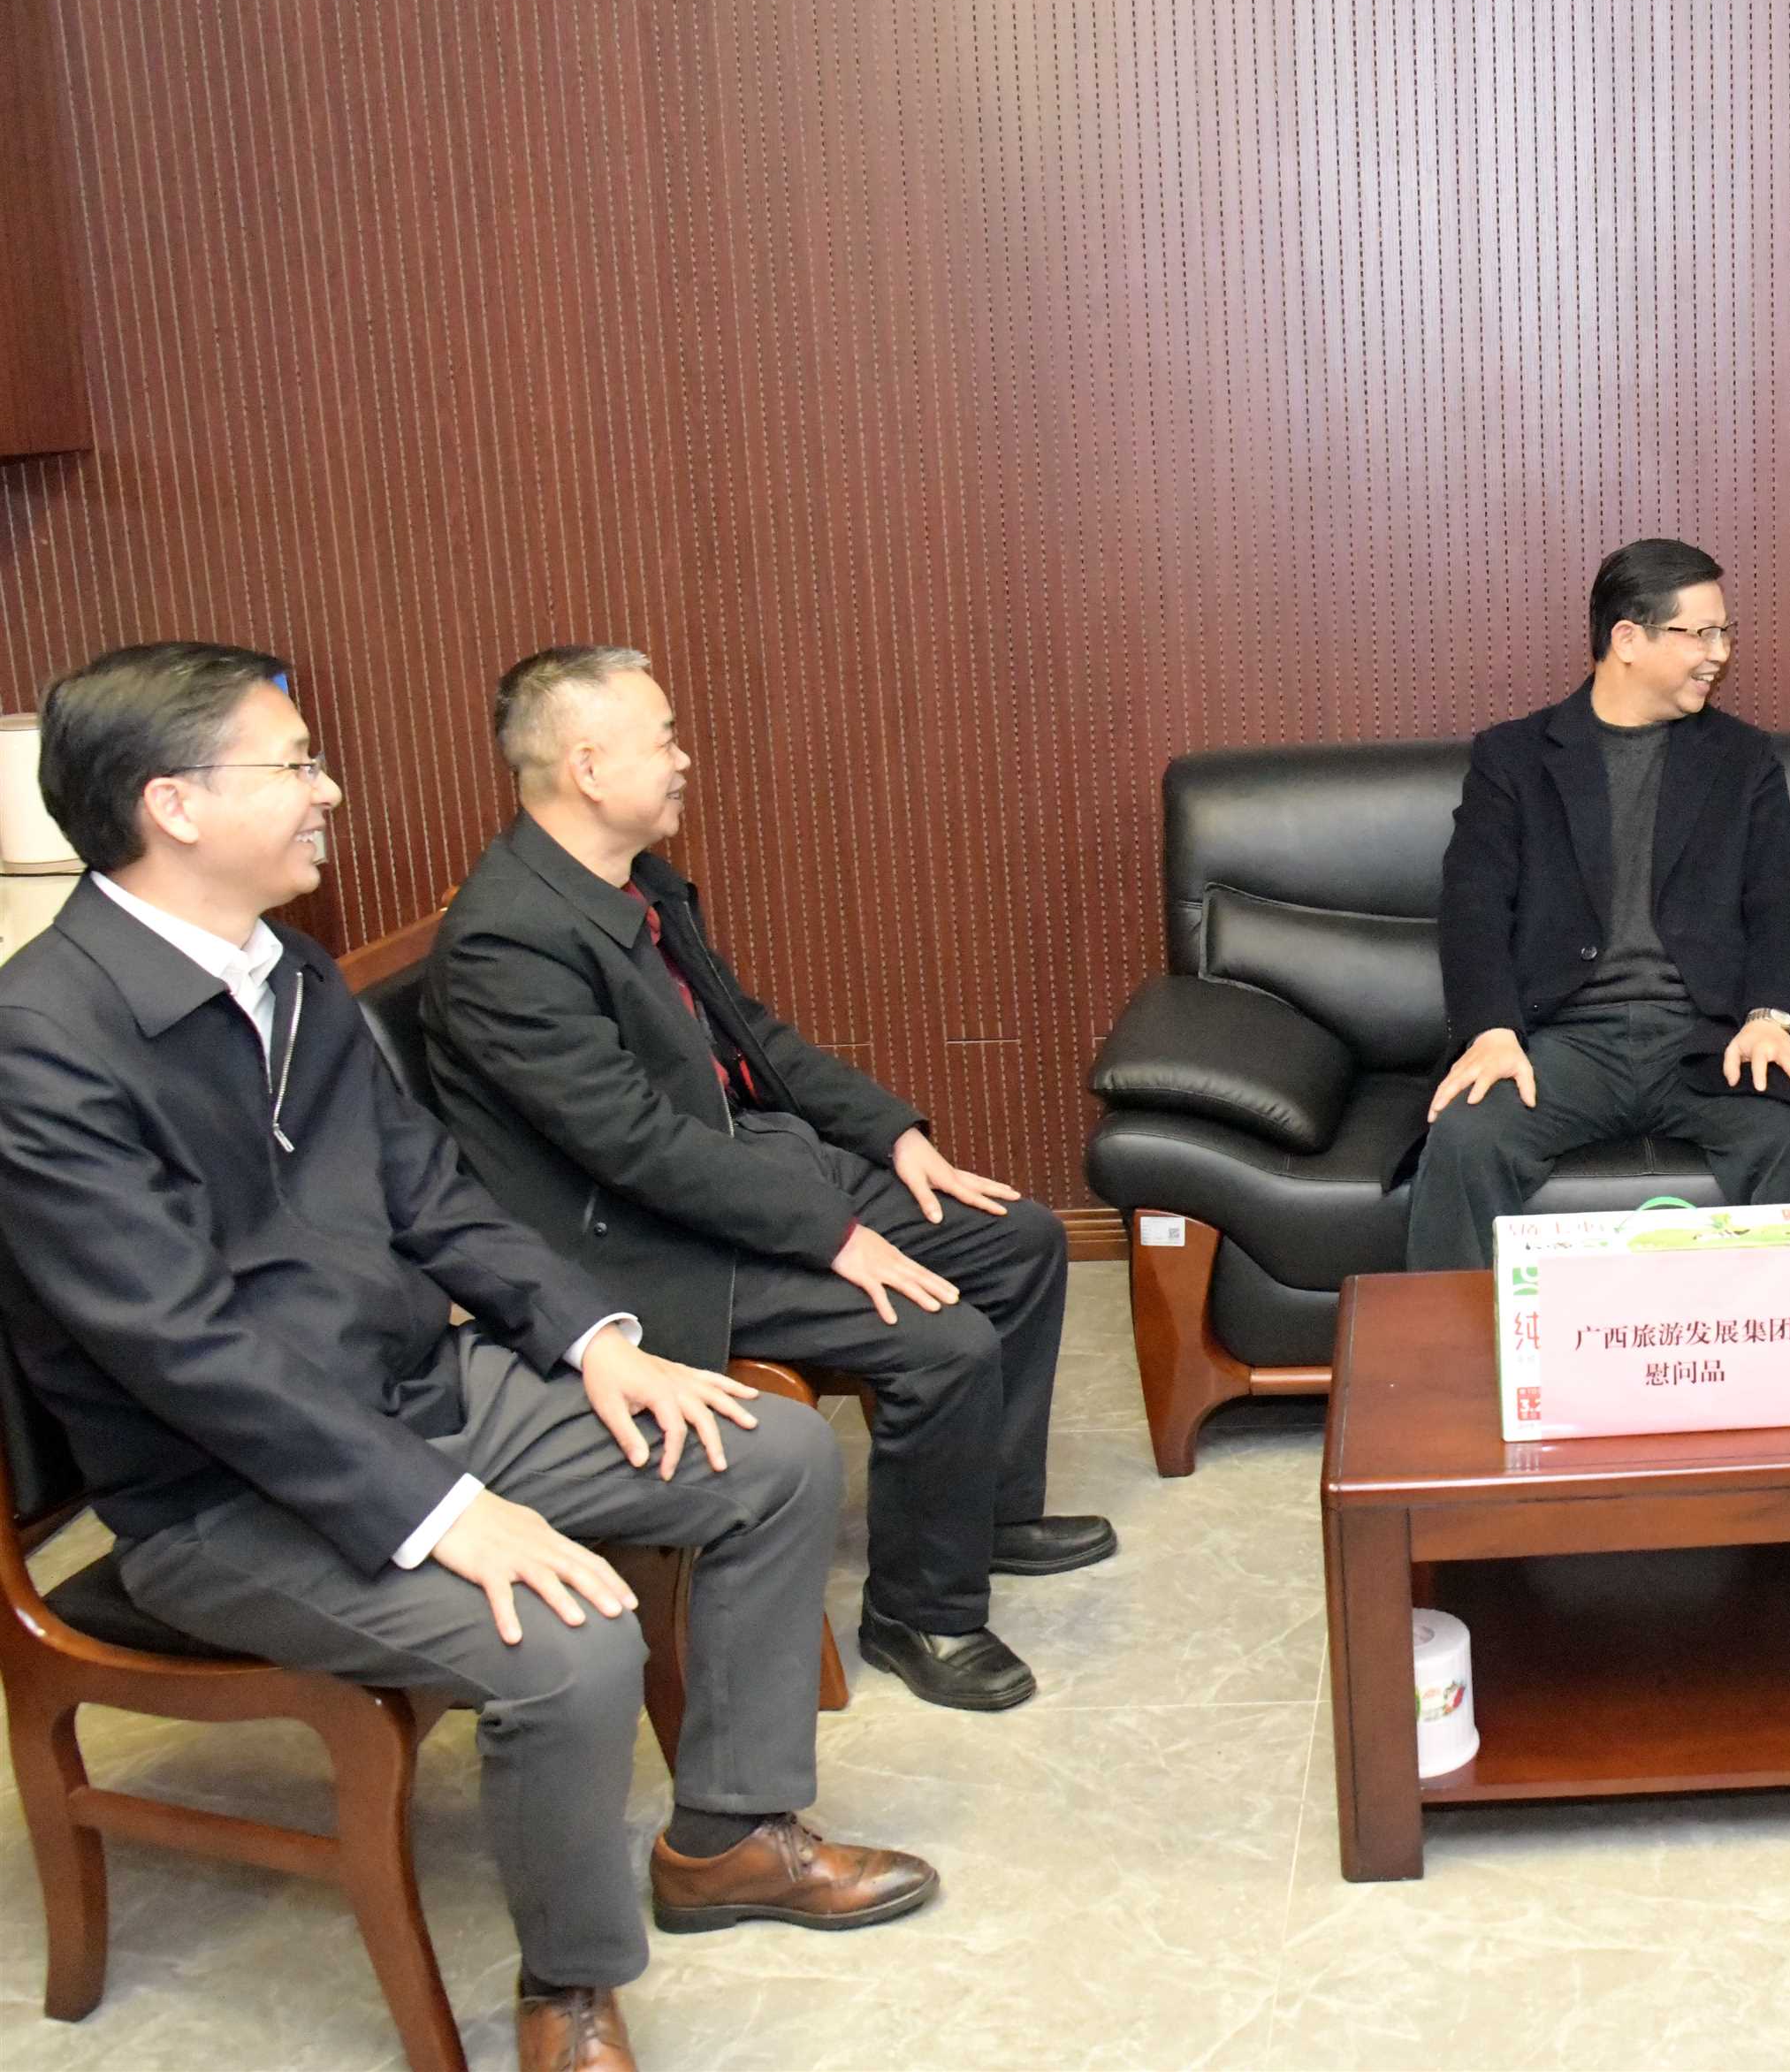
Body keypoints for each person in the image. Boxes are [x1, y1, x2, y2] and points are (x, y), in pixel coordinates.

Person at [0, 644, 934, 2072]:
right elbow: (181, 1346)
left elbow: (430, 1191)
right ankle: (569, 1989)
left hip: (415, 1394)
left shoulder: (288, 968)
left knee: (774, 1452)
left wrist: (596, 1338)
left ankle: (729, 1834)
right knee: (569, 1640)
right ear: (173, 804)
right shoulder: (43, 1042)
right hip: (223, 1493)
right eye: (294, 763)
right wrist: (440, 1509)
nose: (330, 790)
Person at [421, 648, 1110, 1717]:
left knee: (1017, 1238)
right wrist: (833, 1231)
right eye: (664, 739)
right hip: (644, 1246)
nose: (683, 759)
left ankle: (986, 1515)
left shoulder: (636, 881)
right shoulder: (505, 939)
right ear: (588, 766)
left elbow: (751, 1037)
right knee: (941, 1340)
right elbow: (635, 1146)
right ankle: (921, 1613)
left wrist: (890, 1134)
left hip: (744, 1171)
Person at [1405, 537, 1790, 1269]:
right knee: (1465, 1140)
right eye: (1700, 633)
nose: (1719, 653)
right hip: (1562, 1039)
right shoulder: (1513, 758)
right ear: (1626, 638)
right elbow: (1474, 905)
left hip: (1704, 1038)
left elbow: (1782, 900)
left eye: (1724, 632)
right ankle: (1450, 1350)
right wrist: (1490, 1029)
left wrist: (1770, 1016)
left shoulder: (1741, 758)